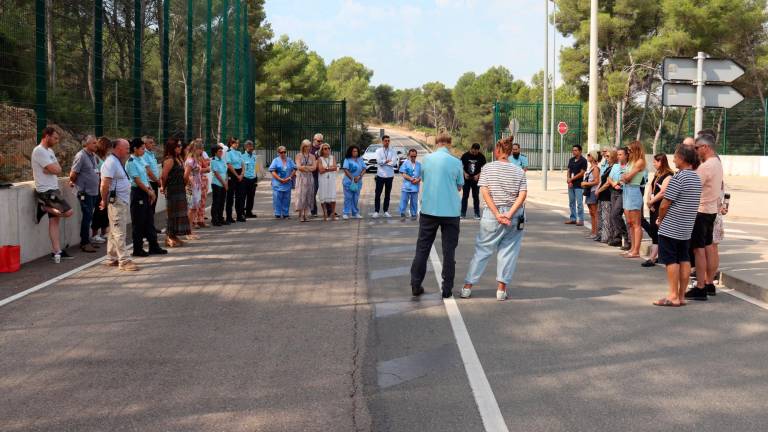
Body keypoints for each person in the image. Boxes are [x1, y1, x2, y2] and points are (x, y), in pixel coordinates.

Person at [461, 137, 528, 301]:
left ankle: (467, 287)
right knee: (508, 251)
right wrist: (510, 213)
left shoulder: (488, 169)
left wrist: (497, 213)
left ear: (497, 151)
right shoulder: (518, 170)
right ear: (511, 152)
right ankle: (501, 290)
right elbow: (523, 194)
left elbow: (485, 192)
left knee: (483, 250)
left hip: (492, 215)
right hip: (514, 215)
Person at [410, 133, 464, 299]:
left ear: (436, 143)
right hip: (450, 212)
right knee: (449, 252)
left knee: (422, 248)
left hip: (429, 210)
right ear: (449, 143)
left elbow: (424, 179)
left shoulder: (426, 160)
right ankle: (447, 289)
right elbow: (459, 186)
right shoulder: (456, 162)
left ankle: (416, 284)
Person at [653, 144, 702, 307]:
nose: (673, 159)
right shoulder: (696, 177)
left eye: (675, 156)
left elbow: (665, 204)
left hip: (672, 225)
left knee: (671, 260)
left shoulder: (678, 177)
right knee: (684, 258)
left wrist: (660, 219)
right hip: (686, 226)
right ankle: (681, 296)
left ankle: (673, 295)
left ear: (682, 158)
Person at [685, 134, 724, 301]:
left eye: (696, 147)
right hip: (711, 211)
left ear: (705, 147)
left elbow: (692, 188)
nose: (695, 151)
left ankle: (700, 287)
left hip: (701, 212)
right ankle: (708, 283)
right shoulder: (717, 163)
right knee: (708, 247)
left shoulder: (705, 167)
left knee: (698, 250)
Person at [32, 126, 75, 262]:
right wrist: (52, 169)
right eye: (55, 138)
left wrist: (52, 169)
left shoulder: (49, 151)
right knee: (68, 212)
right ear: (47, 136)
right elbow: (54, 169)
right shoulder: (39, 151)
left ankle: (57, 251)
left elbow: (58, 169)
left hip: (54, 188)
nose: (57, 141)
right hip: (46, 190)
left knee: (54, 221)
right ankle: (43, 208)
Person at [99, 139, 139, 271]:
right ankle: (124, 260)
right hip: (116, 201)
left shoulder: (117, 161)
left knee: (114, 230)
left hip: (121, 201)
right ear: (118, 148)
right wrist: (104, 200)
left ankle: (112, 258)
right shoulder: (110, 163)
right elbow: (104, 184)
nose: (129, 150)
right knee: (119, 231)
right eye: (126, 148)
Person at [125, 138, 167, 257]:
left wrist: (151, 190)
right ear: (135, 149)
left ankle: (153, 246)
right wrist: (148, 192)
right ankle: (137, 249)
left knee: (149, 220)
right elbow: (137, 180)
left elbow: (145, 177)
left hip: (146, 190)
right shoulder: (131, 162)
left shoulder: (141, 159)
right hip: (138, 192)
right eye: (142, 148)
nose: (144, 151)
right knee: (139, 222)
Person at [68, 135, 100, 253]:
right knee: (87, 216)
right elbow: (73, 173)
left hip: (93, 191)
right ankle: (84, 242)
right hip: (84, 192)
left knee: (90, 216)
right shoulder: (81, 156)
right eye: (93, 143)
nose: (96, 145)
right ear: (86, 144)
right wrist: (73, 182)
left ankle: (88, 240)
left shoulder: (93, 156)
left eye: (96, 143)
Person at [642, 154, 674, 267]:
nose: (654, 164)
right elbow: (651, 187)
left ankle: (653, 257)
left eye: (655, 162)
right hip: (653, 206)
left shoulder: (669, 175)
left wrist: (652, 201)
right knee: (655, 231)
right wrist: (648, 200)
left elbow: (663, 192)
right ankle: (655, 256)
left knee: (660, 230)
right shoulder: (657, 173)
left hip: (661, 206)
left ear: (661, 162)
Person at [161, 137, 193, 247]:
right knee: (172, 214)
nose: (180, 148)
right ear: (172, 147)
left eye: (180, 146)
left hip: (180, 189)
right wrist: (163, 187)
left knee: (179, 214)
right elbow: (164, 176)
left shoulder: (179, 158)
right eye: (178, 146)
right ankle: (169, 237)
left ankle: (174, 236)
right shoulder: (169, 160)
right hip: (172, 190)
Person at [620, 141, 647, 258]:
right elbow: (623, 177)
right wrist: (625, 178)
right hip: (626, 190)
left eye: (630, 150)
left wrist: (626, 177)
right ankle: (632, 248)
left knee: (636, 223)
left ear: (636, 150)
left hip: (634, 190)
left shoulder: (640, 162)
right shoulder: (630, 162)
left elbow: (628, 177)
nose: (628, 152)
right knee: (630, 222)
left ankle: (636, 250)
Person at [607, 148, 629, 249]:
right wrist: (613, 184)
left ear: (626, 155)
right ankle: (618, 238)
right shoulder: (615, 166)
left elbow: (626, 179)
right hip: (614, 191)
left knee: (615, 214)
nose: (618, 156)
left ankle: (627, 238)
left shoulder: (629, 167)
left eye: (620, 154)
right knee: (613, 215)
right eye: (618, 155)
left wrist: (618, 183)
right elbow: (609, 178)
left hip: (623, 192)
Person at [91, 137, 111, 244]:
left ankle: (104, 231)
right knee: (99, 210)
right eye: (107, 148)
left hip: (104, 185)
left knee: (104, 210)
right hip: (99, 185)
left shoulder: (103, 157)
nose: (109, 150)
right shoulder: (96, 158)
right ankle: (95, 234)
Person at [372, 135, 398, 218]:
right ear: (382, 141)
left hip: (390, 175)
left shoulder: (393, 151)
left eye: (388, 141)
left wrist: (385, 162)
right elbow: (379, 161)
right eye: (385, 140)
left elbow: (394, 163)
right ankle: (376, 211)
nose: (387, 142)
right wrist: (386, 161)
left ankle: (386, 210)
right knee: (378, 194)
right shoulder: (378, 151)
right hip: (380, 175)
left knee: (388, 194)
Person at [460, 143, 487, 219]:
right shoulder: (465, 156)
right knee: (465, 196)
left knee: (476, 196)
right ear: (471, 149)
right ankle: (462, 213)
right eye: (473, 151)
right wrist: (464, 173)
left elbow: (484, 168)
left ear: (478, 150)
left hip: (476, 179)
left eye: (476, 152)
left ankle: (477, 213)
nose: (475, 153)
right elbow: (460, 166)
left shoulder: (481, 156)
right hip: (466, 179)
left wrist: (478, 175)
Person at [269, 146, 297, 219]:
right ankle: (277, 213)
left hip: (287, 182)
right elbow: (272, 171)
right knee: (277, 198)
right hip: (278, 183)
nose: (283, 153)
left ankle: (285, 213)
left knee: (287, 199)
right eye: (281, 152)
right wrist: (280, 179)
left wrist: (290, 177)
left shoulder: (290, 160)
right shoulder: (275, 160)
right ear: (278, 153)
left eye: (284, 152)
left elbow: (295, 168)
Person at [141, 136, 162, 233]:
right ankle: (148, 228)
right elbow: (148, 171)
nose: (153, 144)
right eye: (150, 142)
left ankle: (151, 226)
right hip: (150, 183)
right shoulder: (144, 155)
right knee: (149, 207)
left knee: (152, 207)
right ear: (144, 144)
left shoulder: (151, 154)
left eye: (153, 142)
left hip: (154, 182)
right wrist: (157, 181)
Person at [294, 139, 317, 222]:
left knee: (308, 195)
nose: (308, 148)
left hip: (310, 178)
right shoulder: (298, 155)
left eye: (309, 146)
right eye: (306, 146)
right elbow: (299, 167)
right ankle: (300, 214)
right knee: (301, 195)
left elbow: (314, 167)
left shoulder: (312, 156)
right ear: (303, 146)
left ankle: (306, 214)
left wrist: (305, 167)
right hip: (301, 178)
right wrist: (308, 168)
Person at [565, 145, 588, 226]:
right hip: (571, 184)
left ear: (580, 151)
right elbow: (568, 170)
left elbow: (582, 173)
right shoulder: (571, 160)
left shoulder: (583, 161)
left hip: (578, 185)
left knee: (579, 203)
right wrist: (568, 179)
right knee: (571, 202)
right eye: (573, 150)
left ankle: (581, 219)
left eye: (575, 150)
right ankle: (573, 218)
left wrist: (572, 179)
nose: (573, 152)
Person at [595, 148, 615, 243]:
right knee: (601, 216)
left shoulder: (613, 168)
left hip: (607, 194)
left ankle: (606, 236)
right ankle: (601, 234)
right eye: (605, 156)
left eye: (608, 156)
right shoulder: (608, 167)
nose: (606, 158)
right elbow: (602, 180)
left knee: (606, 217)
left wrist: (599, 190)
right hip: (602, 194)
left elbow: (607, 183)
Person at [225, 137, 246, 223]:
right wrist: (237, 175)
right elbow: (229, 165)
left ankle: (239, 215)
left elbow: (243, 163)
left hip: (240, 173)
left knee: (240, 196)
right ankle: (229, 217)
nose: (237, 145)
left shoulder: (239, 152)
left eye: (238, 143)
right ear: (231, 143)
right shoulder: (228, 153)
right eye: (235, 143)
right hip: (232, 174)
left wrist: (242, 174)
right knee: (230, 196)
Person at [184, 140, 204, 229]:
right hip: (191, 187)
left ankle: (190, 229)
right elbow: (186, 175)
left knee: (195, 208)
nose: (201, 151)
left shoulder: (196, 160)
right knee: (191, 208)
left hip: (197, 186)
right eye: (200, 149)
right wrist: (190, 185)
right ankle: (188, 229)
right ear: (195, 149)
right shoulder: (190, 161)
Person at [581, 151, 601, 239]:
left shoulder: (596, 168)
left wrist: (586, 184)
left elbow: (597, 181)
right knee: (591, 212)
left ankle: (595, 232)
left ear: (593, 157)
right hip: (589, 192)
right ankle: (593, 231)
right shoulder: (590, 168)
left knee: (594, 212)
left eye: (589, 155)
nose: (587, 156)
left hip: (593, 191)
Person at [342, 145, 365, 220]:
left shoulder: (360, 159)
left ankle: (355, 213)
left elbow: (364, 169)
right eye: (354, 151)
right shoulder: (347, 159)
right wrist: (352, 178)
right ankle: (346, 212)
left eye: (356, 151)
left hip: (358, 181)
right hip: (349, 182)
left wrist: (359, 176)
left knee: (355, 198)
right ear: (350, 152)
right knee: (348, 197)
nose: (355, 152)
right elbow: (345, 169)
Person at [316, 143, 338, 221]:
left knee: (332, 195)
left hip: (331, 179)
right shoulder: (320, 159)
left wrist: (326, 168)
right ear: (322, 150)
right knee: (323, 195)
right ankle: (325, 213)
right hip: (323, 179)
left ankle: (333, 213)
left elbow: (335, 168)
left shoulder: (333, 157)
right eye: (325, 148)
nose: (327, 150)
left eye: (328, 148)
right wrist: (329, 168)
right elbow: (321, 170)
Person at [399, 148, 421, 220]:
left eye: (415, 156)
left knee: (414, 201)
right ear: (409, 155)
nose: (413, 158)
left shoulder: (419, 165)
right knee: (404, 200)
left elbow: (421, 175)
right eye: (412, 156)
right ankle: (402, 213)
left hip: (415, 186)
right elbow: (403, 174)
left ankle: (414, 214)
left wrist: (418, 180)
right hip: (406, 186)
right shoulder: (405, 163)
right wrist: (411, 179)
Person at [209, 144, 229, 226]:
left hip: (224, 184)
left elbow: (226, 172)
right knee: (216, 202)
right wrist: (224, 183)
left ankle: (220, 218)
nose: (221, 153)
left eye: (222, 151)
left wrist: (226, 182)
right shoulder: (213, 161)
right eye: (219, 151)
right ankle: (215, 219)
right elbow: (217, 174)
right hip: (217, 184)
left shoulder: (223, 160)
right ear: (215, 152)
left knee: (222, 202)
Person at [242, 140, 259, 218]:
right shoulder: (242, 156)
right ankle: (242, 212)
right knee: (243, 196)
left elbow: (256, 167)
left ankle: (249, 212)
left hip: (253, 178)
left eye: (251, 146)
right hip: (245, 179)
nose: (251, 147)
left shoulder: (254, 157)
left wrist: (256, 177)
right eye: (249, 146)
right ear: (245, 147)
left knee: (251, 196)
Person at [310, 133, 324, 217]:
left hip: (323, 173)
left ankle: (329, 211)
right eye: (319, 141)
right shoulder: (309, 148)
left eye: (321, 141)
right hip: (313, 174)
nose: (320, 142)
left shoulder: (323, 148)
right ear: (314, 140)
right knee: (313, 193)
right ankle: (314, 211)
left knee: (326, 192)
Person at [198, 146, 211, 222]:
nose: (202, 150)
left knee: (203, 201)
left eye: (203, 149)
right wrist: (202, 169)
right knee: (196, 202)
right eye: (200, 148)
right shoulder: (190, 158)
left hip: (203, 181)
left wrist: (201, 170)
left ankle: (201, 219)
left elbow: (208, 168)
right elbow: (192, 171)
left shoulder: (201, 158)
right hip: (195, 182)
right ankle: (195, 220)